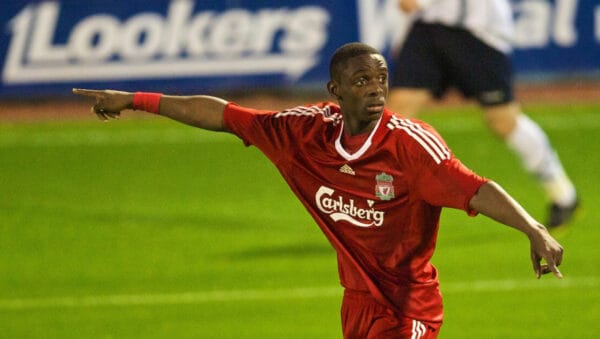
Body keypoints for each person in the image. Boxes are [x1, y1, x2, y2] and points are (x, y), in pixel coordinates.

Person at [73, 42, 564, 339]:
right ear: (336, 91)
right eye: (362, 80)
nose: (376, 88)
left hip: (407, 306)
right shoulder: (301, 134)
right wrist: (134, 100)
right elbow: (223, 115)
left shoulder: (411, 147)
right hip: (357, 303)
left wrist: (533, 228)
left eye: (381, 79)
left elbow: (476, 189)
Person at [388, 0, 579, 228]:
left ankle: (562, 194)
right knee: (396, 114)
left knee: (503, 122)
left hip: (479, 31)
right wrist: (403, 33)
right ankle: (382, 207)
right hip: (429, 25)